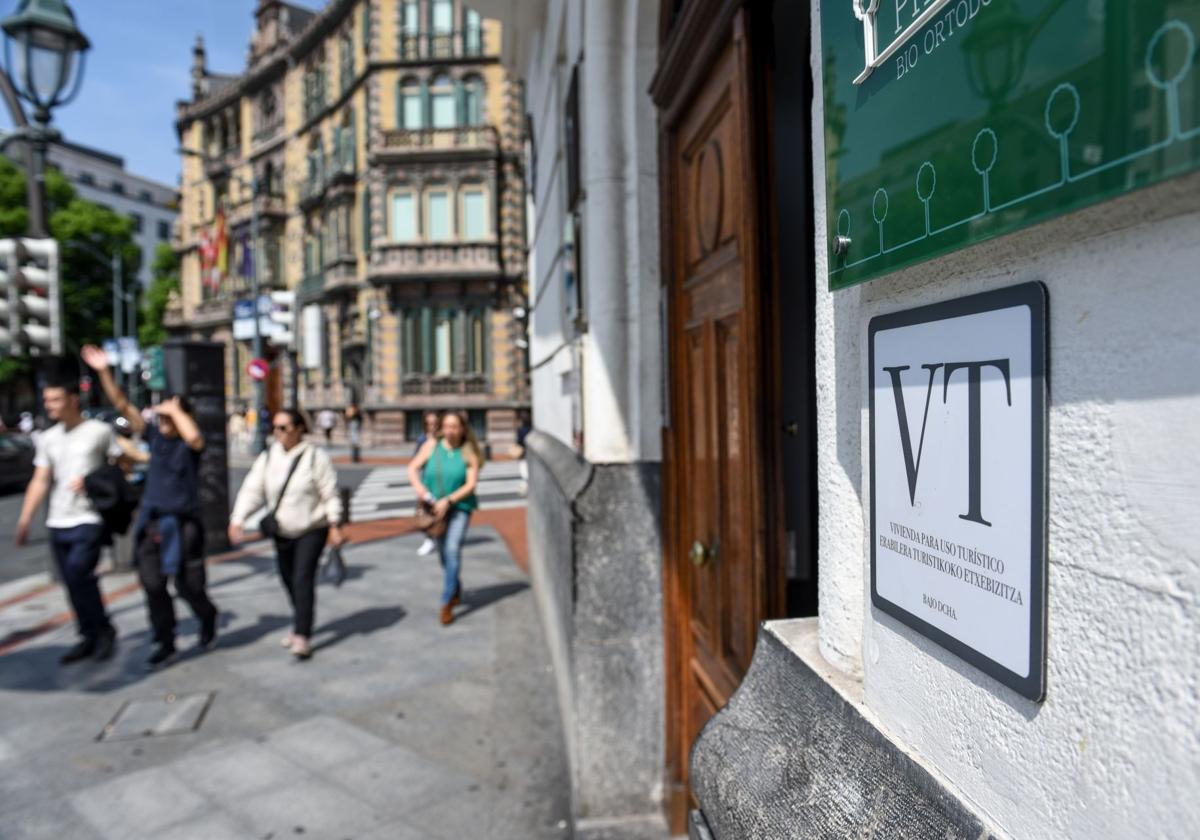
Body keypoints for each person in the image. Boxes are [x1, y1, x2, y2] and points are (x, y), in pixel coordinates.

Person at [82, 345, 219, 669]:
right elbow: (121, 404)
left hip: (184, 524)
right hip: (153, 522)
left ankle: (207, 615)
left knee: (190, 586)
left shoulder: (189, 446)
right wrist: (104, 370)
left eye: (168, 415)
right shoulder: (155, 436)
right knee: (153, 584)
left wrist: (177, 410)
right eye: (161, 414)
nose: (162, 417)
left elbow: (196, 438)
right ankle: (166, 640)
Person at [14, 374, 118, 664]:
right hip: (58, 520)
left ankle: (103, 629)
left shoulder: (98, 431)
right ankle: (89, 634)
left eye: (56, 399)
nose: (50, 405)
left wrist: (94, 482)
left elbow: (120, 465)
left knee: (79, 572)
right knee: (72, 582)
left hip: (88, 517)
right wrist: (25, 520)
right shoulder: (48, 438)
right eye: (47, 400)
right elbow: (40, 479)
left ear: (73, 399)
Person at [228, 409, 347, 659]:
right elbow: (252, 489)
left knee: (302, 578)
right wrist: (237, 519)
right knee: (287, 578)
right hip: (281, 531)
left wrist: (335, 524)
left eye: (283, 427)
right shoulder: (269, 456)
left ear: (299, 428)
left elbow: (330, 492)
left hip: (311, 528)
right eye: (275, 427)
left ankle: (302, 634)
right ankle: (301, 621)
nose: (277, 433)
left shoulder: (315, 457)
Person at [407, 411, 482, 626]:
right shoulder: (431, 446)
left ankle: (447, 600)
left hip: (459, 507)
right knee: (443, 554)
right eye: (446, 426)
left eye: (454, 426)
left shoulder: (469, 452)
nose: (450, 430)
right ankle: (455, 585)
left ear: (462, 429)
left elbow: (470, 485)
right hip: (434, 509)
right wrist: (421, 490)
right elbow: (412, 468)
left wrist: (448, 501)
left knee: (452, 549)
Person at [413, 411, 441, 557]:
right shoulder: (422, 439)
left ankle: (440, 538)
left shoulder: (444, 439)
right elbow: (415, 462)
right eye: (429, 424)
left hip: (442, 482)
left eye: (434, 423)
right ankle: (429, 539)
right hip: (426, 482)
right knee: (425, 513)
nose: (432, 426)